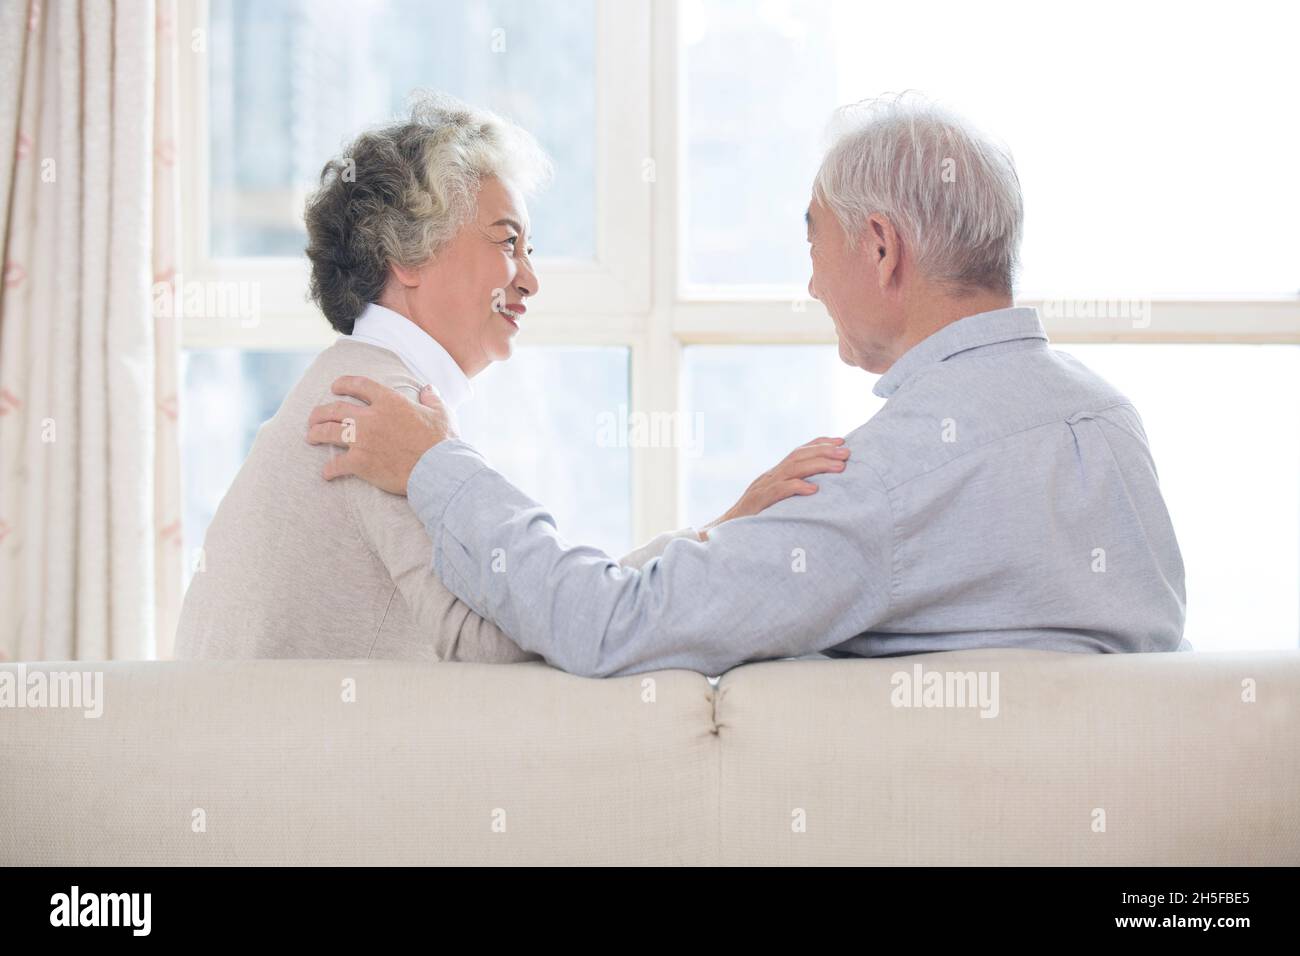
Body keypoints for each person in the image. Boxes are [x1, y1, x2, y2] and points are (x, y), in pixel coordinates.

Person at [307, 92, 1189, 677]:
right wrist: (729, 530)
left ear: (881, 249)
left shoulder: (884, 484)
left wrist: (434, 469)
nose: (810, 285)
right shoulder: (1111, 427)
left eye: (814, 242)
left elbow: (610, 625)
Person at [175, 92, 845, 662]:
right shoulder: (370, 402)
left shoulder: (369, 386)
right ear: (405, 256)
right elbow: (499, 642)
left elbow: (544, 606)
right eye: (506, 242)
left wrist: (716, 535)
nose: (529, 277)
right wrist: (716, 544)